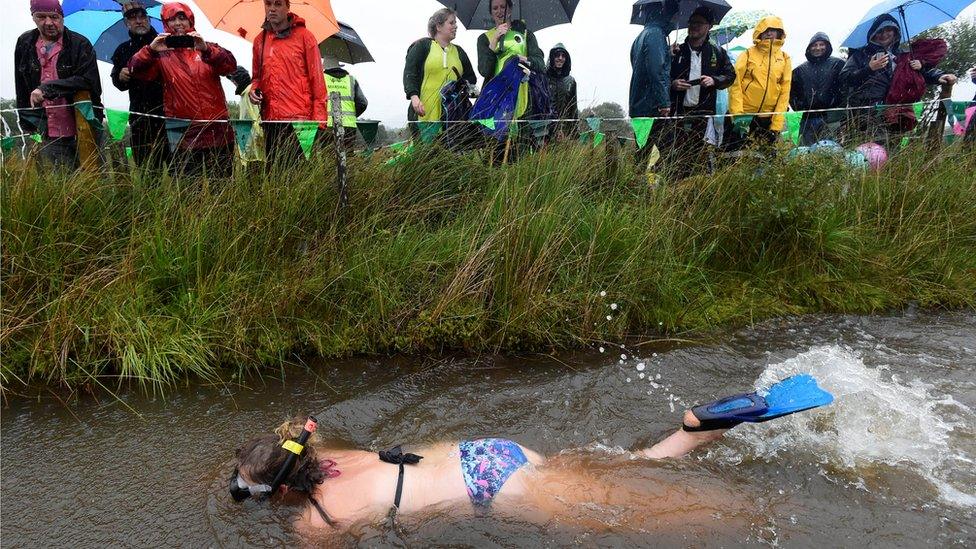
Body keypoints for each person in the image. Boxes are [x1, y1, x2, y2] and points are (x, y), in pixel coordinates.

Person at [230, 374, 832, 536]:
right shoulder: (339, 456)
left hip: (492, 492)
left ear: (282, 490)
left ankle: (773, 511)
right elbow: (290, 447)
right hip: (491, 452)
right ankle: (698, 428)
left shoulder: (316, 521)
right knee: (624, 470)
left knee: (641, 510)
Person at [128, 2, 236, 178]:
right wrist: (150, 50)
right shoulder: (160, 54)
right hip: (182, 132)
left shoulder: (207, 47)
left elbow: (230, 66)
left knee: (222, 188)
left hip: (217, 129)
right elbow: (135, 70)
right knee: (189, 193)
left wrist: (207, 50)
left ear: (190, 20)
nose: (178, 23)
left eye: (182, 18)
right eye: (172, 20)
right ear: (165, 24)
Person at [14, 0, 103, 170]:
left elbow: (89, 81)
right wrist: (26, 122)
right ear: (33, 17)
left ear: (62, 17)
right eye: (41, 17)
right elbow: (21, 83)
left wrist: (48, 89)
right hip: (47, 129)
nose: (48, 23)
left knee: (94, 178)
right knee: (57, 183)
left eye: (54, 17)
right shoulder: (25, 43)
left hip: (84, 125)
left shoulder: (79, 43)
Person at [839, 14, 956, 144]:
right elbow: (845, 78)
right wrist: (869, 68)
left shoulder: (904, 54)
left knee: (895, 147)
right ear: (873, 34)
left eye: (888, 30)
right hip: (868, 112)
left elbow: (921, 73)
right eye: (880, 31)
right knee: (871, 149)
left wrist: (939, 75)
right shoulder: (860, 54)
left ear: (895, 32)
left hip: (898, 111)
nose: (884, 34)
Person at [249, 0, 329, 167]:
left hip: (301, 122)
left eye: (277, 4)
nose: (271, 9)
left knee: (299, 176)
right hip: (271, 120)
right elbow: (256, 77)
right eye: (268, 4)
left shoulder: (305, 37)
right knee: (275, 176)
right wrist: (255, 90)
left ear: (288, 7)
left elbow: (318, 81)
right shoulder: (259, 41)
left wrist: (319, 123)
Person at [665, 6, 735, 178]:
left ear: (709, 26)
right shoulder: (676, 51)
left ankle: (699, 195)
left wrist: (715, 80)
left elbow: (731, 76)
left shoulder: (717, 52)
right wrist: (672, 84)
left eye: (699, 23)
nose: (694, 26)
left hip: (704, 115)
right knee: (676, 157)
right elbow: (661, 78)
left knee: (700, 158)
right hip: (678, 114)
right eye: (692, 22)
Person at [110, 1, 168, 169]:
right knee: (147, 171)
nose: (138, 20)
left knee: (178, 172)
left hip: (170, 116)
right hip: (140, 118)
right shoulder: (122, 50)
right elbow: (118, 82)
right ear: (126, 23)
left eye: (142, 16)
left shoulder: (165, 43)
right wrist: (120, 76)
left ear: (149, 19)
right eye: (132, 17)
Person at [403, 8, 476, 139]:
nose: (456, 26)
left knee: (449, 157)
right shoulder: (422, 46)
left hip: (453, 116)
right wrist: (414, 97)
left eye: (455, 23)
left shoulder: (460, 52)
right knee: (425, 157)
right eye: (451, 23)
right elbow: (410, 73)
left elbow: (471, 78)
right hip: (424, 113)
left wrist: (465, 88)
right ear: (438, 26)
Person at [727, 16, 792, 150]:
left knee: (765, 161)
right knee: (733, 158)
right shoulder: (747, 54)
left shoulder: (785, 58)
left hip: (767, 119)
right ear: (759, 32)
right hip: (744, 115)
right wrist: (738, 116)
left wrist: (776, 125)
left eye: (773, 30)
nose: (769, 33)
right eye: (765, 30)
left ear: (780, 32)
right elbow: (735, 84)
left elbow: (785, 93)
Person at [476, 0, 545, 122]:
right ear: (491, 13)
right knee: (496, 139)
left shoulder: (526, 34)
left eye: (503, 7)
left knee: (522, 139)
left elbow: (540, 64)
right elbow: (485, 70)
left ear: (510, 9)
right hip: (494, 98)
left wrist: (524, 59)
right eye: (495, 8)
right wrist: (494, 41)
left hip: (523, 95)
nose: (499, 11)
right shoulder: (484, 38)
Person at [789, 32, 845, 146]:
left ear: (827, 46)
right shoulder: (799, 70)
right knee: (806, 152)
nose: (818, 48)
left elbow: (847, 86)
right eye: (814, 45)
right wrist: (800, 107)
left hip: (832, 118)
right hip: (808, 119)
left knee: (832, 150)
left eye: (821, 44)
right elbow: (791, 92)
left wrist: (838, 104)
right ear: (809, 48)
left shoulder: (838, 64)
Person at [323, 55, 368, 151]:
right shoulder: (351, 80)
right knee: (349, 158)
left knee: (329, 159)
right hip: (349, 127)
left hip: (328, 126)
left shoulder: (321, 79)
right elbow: (362, 103)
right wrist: (351, 116)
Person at [546, 43, 578, 142]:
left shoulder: (571, 81)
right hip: (545, 129)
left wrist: (574, 134)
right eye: (557, 55)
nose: (560, 58)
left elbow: (573, 108)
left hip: (565, 131)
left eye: (563, 56)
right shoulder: (543, 78)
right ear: (552, 57)